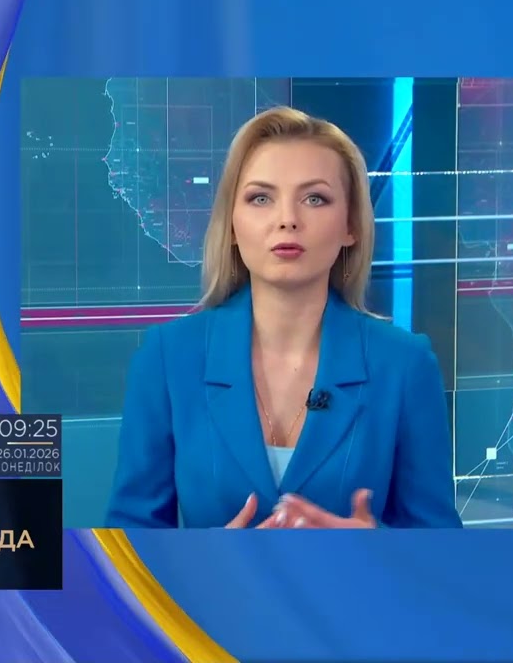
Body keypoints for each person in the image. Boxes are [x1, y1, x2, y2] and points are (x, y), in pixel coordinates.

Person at [106, 106, 462, 529]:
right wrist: (206, 560)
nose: (288, 220)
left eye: (315, 199)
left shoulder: (404, 364)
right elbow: (127, 541)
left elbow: (442, 548)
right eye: (261, 198)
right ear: (232, 224)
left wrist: (376, 550)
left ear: (350, 225)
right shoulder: (168, 358)